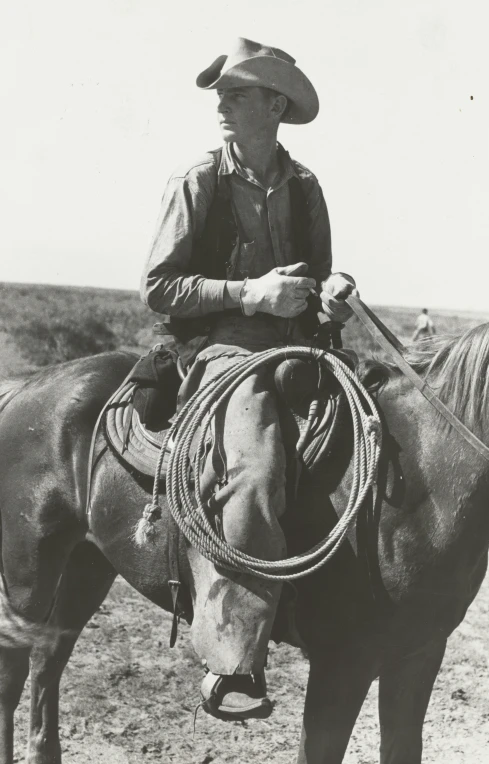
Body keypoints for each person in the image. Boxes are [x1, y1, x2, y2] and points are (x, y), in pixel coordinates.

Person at [140, 37, 357, 718]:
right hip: (223, 350)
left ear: (274, 105)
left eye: (236, 95)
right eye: (222, 96)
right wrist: (249, 295)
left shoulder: (305, 186)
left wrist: (335, 290)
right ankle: (235, 660)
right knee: (257, 466)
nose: (222, 107)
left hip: (302, 348)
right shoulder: (197, 181)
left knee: (386, 432)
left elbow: (321, 275)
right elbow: (158, 288)